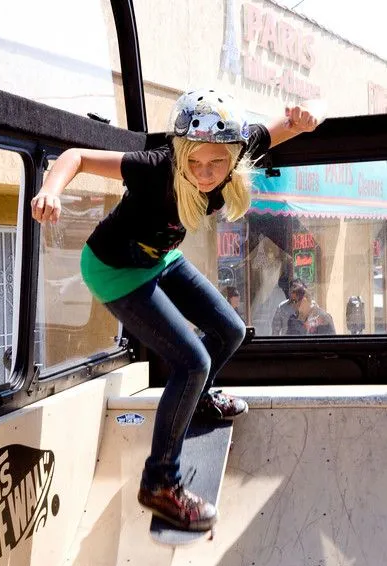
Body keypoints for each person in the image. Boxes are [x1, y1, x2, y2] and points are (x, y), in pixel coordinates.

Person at [31, 89, 321, 532]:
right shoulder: (156, 167)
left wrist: (306, 117)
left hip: (159, 258)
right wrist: (50, 190)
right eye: (195, 163)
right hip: (114, 269)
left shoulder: (238, 150)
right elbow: (77, 157)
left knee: (229, 331)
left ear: (234, 156)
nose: (205, 175)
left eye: (216, 164)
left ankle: (198, 399)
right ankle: (160, 482)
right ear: (181, 153)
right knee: (192, 361)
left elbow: (285, 128)